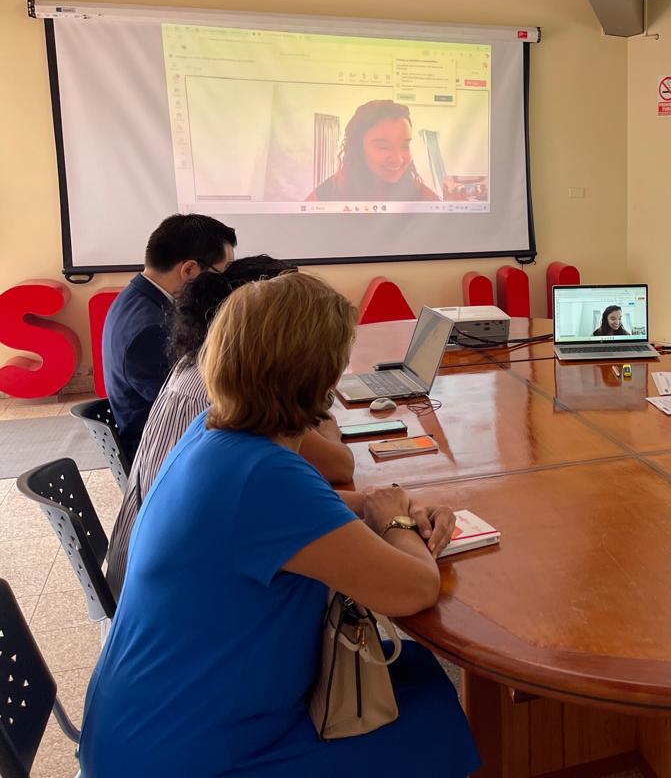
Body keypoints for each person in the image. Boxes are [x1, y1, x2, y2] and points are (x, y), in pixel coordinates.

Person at [81, 272, 479, 777]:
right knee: (426, 709)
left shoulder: (218, 429)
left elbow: (306, 508)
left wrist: (380, 504)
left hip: (145, 724)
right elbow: (416, 589)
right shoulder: (263, 478)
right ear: (320, 377)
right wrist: (396, 518)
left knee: (413, 674)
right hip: (191, 754)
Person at [103, 256, 356, 599]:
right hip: (180, 601)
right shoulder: (248, 431)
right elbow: (411, 586)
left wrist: (368, 503)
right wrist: (394, 519)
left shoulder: (208, 384)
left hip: (146, 577)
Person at [101, 214, 236, 459]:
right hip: (161, 453)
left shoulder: (138, 298)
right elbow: (192, 405)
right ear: (189, 269)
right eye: (223, 274)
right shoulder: (150, 329)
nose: (225, 284)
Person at [307, 100, 441, 202]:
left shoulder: (424, 198)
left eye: (405, 146)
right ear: (357, 148)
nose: (398, 159)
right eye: (383, 147)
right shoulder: (331, 192)